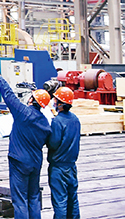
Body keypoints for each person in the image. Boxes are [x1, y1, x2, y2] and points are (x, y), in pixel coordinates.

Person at [0, 69, 52, 219]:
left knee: (20, 200)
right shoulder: (45, 123)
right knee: (34, 197)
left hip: (19, 162)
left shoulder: (22, 113)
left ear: (31, 100)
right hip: (35, 163)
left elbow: (9, 96)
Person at [47, 86, 81, 219]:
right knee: (73, 200)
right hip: (71, 166)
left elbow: (53, 143)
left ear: (60, 103)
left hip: (58, 168)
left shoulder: (57, 122)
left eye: (56, 100)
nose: (54, 102)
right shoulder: (75, 119)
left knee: (60, 201)